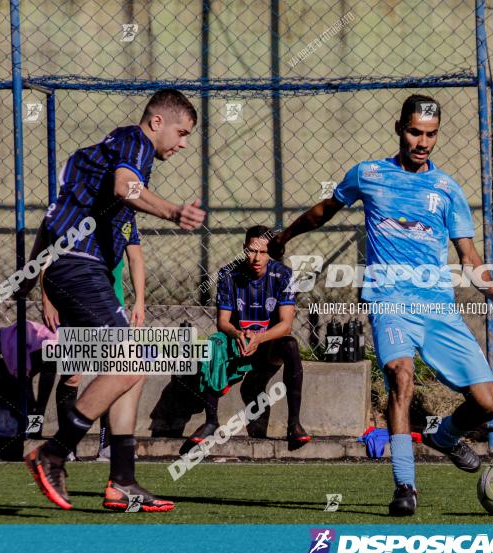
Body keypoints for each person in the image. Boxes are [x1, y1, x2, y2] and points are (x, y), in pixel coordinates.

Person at [270, 95, 493, 516]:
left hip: (438, 308)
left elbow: (468, 256)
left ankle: (444, 436)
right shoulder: (368, 174)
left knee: (490, 403)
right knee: (400, 378)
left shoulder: (447, 189)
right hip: (389, 303)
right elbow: (324, 210)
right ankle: (405, 485)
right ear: (399, 128)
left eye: (431, 134)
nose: (422, 142)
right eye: (415, 132)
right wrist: (285, 236)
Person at [18, 89, 205, 511]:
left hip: (73, 268)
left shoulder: (99, 156)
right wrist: (174, 212)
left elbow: (53, 218)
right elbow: (126, 188)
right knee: (131, 360)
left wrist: (31, 275)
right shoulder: (133, 142)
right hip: (78, 267)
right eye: (182, 132)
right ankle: (53, 452)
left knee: (130, 366)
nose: (183, 144)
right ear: (157, 122)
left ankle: (122, 480)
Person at [179, 225, 308, 454]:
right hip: (239, 340)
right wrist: (238, 334)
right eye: (251, 251)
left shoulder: (284, 274)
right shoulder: (228, 274)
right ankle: (211, 421)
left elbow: (285, 325)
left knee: (290, 345)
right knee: (215, 343)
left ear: (271, 253)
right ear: (244, 250)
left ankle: (294, 424)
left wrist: (259, 338)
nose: (256, 258)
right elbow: (223, 323)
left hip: (267, 343)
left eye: (262, 252)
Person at [40, 220, 147, 463]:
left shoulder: (126, 216)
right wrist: (47, 300)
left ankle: (107, 445)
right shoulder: (79, 209)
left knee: (117, 371)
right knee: (72, 375)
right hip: (74, 304)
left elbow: (135, 259)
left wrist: (139, 301)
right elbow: (49, 254)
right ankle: (65, 446)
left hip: (109, 307)